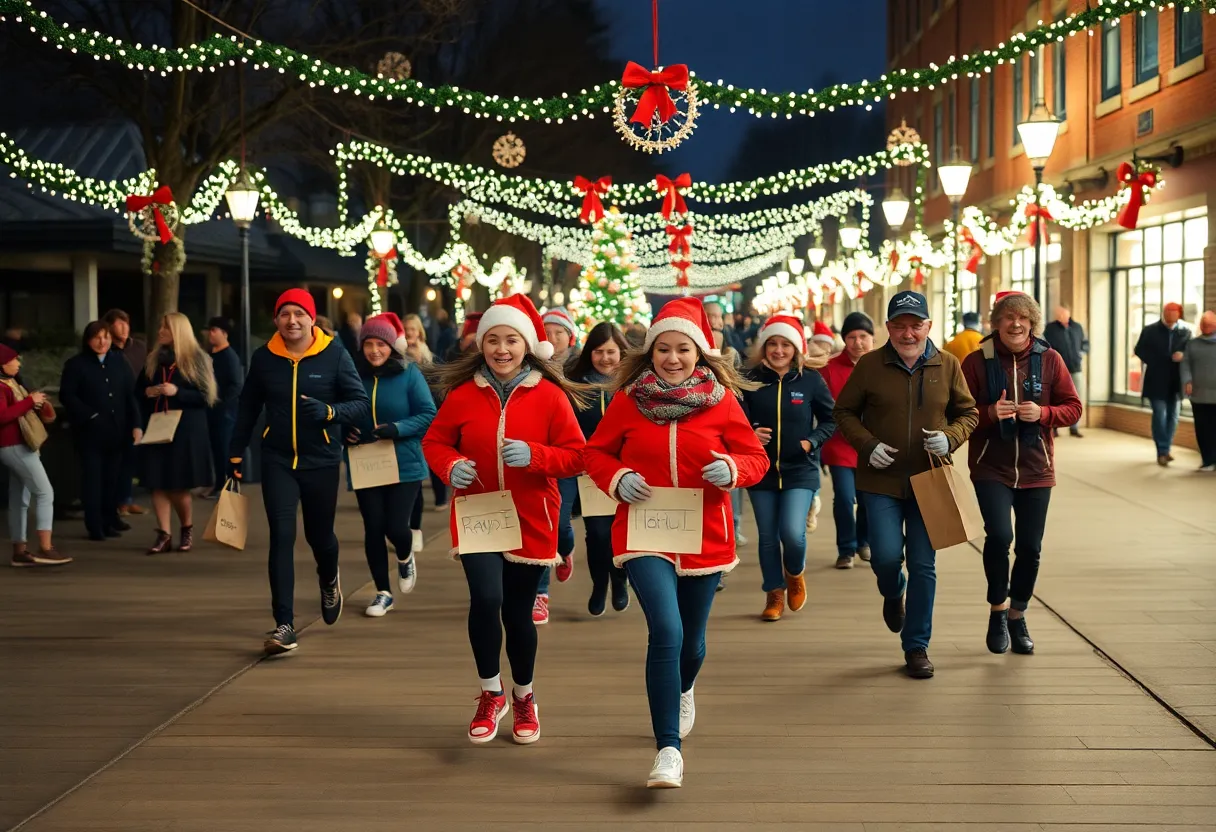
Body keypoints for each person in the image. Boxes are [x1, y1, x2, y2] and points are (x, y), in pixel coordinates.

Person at [584, 298, 768, 789]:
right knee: (666, 630)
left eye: (682, 349)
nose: (672, 358)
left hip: (704, 533)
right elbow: (596, 453)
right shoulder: (628, 399)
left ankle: (685, 687)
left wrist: (731, 469)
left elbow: (754, 459)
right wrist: (617, 477)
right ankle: (669, 749)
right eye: (662, 349)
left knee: (693, 639)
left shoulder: (723, 401)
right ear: (649, 354)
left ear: (700, 353)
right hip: (644, 530)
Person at [422, 293, 586, 746]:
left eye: (511, 340)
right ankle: (490, 691)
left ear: (527, 345)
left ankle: (524, 696)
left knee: (518, 613)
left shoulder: (551, 396)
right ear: (480, 345)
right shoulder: (461, 394)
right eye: (492, 339)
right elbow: (435, 442)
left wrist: (536, 456)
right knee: (485, 598)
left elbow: (577, 457)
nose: (501, 349)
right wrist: (450, 465)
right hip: (477, 512)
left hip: (532, 514)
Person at [833, 291, 978, 679]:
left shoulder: (947, 365)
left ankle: (917, 646)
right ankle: (893, 590)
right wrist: (868, 444)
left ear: (929, 326)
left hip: (929, 480)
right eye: (900, 325)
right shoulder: (869, 365)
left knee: (923, 564)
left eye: (916, 325)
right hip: (880, 480)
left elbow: (968, 412)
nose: (908, 333)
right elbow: (843, 411)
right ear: (889, 328)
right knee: (883, 556)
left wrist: (950, 437)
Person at [228, 289, 370, 655]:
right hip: (277, 460)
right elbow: (247, 407)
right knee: (281, 537)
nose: (292, 320)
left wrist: (329, 413)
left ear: (311, 318)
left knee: (320, 537)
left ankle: (329, 579)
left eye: (299, 314)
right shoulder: (264, 358)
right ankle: (284, 625)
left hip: (321, 460)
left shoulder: (335, 353)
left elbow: (358, 402)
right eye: (285, 314)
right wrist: (234, 452)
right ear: (276, 320)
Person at [960, 291, 1082, 655]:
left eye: (1023, 318)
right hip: (990, 466)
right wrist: (989, 414)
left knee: (1030, 548)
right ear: (996, 323)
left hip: (1036, 467)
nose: (1016, 324)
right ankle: (997, 609)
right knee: (999, 537)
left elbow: (1073, 408)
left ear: (1032, 323)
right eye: (1008, 317)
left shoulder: (1050, 359)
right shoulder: (976, 361)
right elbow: (957, 414)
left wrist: (1043, 415)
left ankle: (1018, 613)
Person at [741, 314, 836, 622]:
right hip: (761, 470)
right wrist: (749, 434)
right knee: (768, 537)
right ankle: (774, 592)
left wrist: (811, 442)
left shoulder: (810, 379)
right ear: (763, 346)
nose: (778, 351)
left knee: (792, 534)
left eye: (786, 344)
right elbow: (734, 420)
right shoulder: (749, 378)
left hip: (801, 469)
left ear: (797, 348)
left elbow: (831, 419)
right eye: (772, 344)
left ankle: (794, 572)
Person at [344, 313, 436, 616]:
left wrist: (396, 428)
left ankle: (405, 552)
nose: (374, 351)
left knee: (396, 526)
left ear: (391, 347)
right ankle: (383, 592)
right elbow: (340, 412)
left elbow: (427, 413)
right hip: (365, 461)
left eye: (381, 344)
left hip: (403, 461)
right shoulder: (351, 375)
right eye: (368, 344)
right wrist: (345, 431)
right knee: (373, 527)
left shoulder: (409, 373)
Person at [566, 321, 631, 616]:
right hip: (589, 473)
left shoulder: (633, 384)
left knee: (621, 532)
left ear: (622, 352)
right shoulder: (576, 386)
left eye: (611, 352)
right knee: (597, 533)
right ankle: (598, 584)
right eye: (598, 351)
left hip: (626, 472)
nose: (605, 358)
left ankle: (620, 580)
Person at [138, 313, 218, 554]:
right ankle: (164, 534)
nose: (160, 330)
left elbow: (206, 397)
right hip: (158, 425)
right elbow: (137, 390)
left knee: (178, 485)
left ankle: (186, 528)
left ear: (178, 331)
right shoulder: (154, 358)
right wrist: (149, 391)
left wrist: (177, 392)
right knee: (157, 482)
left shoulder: (196, 359)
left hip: (185, 430)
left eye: (166, 327)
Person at [59, 322, 143, 541]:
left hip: (118, 432)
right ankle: (95, 526)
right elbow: (67, 396)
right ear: (88, 340)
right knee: (93, 480)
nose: (102, 341)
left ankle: (109, 520)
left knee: (112, 479)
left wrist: (136, 425)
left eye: (106, 337)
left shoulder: (119, 362)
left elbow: (130, 395)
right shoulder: (76, 365)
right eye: (97, 337)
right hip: (90, 433)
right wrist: (90, 415)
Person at [1, 343, 70, 566]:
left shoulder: (10, 383)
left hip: (15, 446)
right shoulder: (2, 386)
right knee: (44, 493)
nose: (18, 363)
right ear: (3, 363)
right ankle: (46, 547)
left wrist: (32, 402)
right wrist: (30, 402)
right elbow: (2, 416)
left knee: (19, 499)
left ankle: (20, 551)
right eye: (15, 360)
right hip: (15, 446)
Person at [819, 311, 875, 569]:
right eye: (851, 337)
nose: (858, 342)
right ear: (844, 340)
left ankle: (863, 541)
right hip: (839, 443)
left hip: (873, 444)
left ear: (872, 338)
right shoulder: (829, 368)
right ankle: (846, 548)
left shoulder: (881, 365)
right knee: (844, 496)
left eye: (863, 336)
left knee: (867, 497)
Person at [402, 313, 445, 532]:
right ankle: (414, 524)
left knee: (432, 460)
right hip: (408, 419)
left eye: (413, 329)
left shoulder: (430, 357)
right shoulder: (398, 357)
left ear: (419, 331)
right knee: (416, 467)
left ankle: (440, 496)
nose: (409, 333)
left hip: (430, 416)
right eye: (406, 329)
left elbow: (439, 385)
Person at [1134, 302, 1191, 466]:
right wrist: (1157, 360)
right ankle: (1162, 450)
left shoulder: (1185, 333)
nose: (1171, 316)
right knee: (1160, 414)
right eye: (1168, 313)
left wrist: (1183, 356)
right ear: (1164, 314)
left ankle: (1166, 448)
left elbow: (1191, 352)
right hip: (1156, 380)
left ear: (1179, 315)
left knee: (1173, 416)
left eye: (1174, 313)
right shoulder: (1150, 331)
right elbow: (1139, 350)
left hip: (1176, 382)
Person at [103, 309, 148, 517]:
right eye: (119, 323)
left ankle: (126, 499)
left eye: (126, 323)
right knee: (117, 456)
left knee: (133, 455)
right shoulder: (106, 349)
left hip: (140, 403)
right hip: (116, 407)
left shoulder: (138, 347)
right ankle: (113, 501)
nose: (124, 328)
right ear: (110, 327)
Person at [205, 317, 243, 497]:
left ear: (224, 333)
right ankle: (218, 483)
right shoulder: (209, 355)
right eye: (210, 330)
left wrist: (223, 403)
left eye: (214, 330)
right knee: (215, 448)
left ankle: (227, 485)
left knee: (224, 449)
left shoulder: (230, 356)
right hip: (211, 410)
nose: (210, 334)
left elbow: (236, 384)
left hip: (225, 412)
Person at [1042, 305, 1088, 438]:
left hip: (1076, 368)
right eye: (1058, 314)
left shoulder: (1077, 327)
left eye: (1063, 313)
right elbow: (1045, 345)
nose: (1060, 316)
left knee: (1077, 397)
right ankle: (1055, 427)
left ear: (1068, 314)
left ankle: (1074, 427)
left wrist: (1082, 352)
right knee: (1056, 397)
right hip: (1057, 369)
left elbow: (1085, 343)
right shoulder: (1050, 329)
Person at [1182, 311, 1216, 472]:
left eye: (1209, 324)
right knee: (1203, 428)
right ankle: (1207, 460)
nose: (1206, 326)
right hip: (1199, 395)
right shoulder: (1192, 344)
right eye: (1203, 324)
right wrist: (1187, 381)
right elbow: (1185, 364)